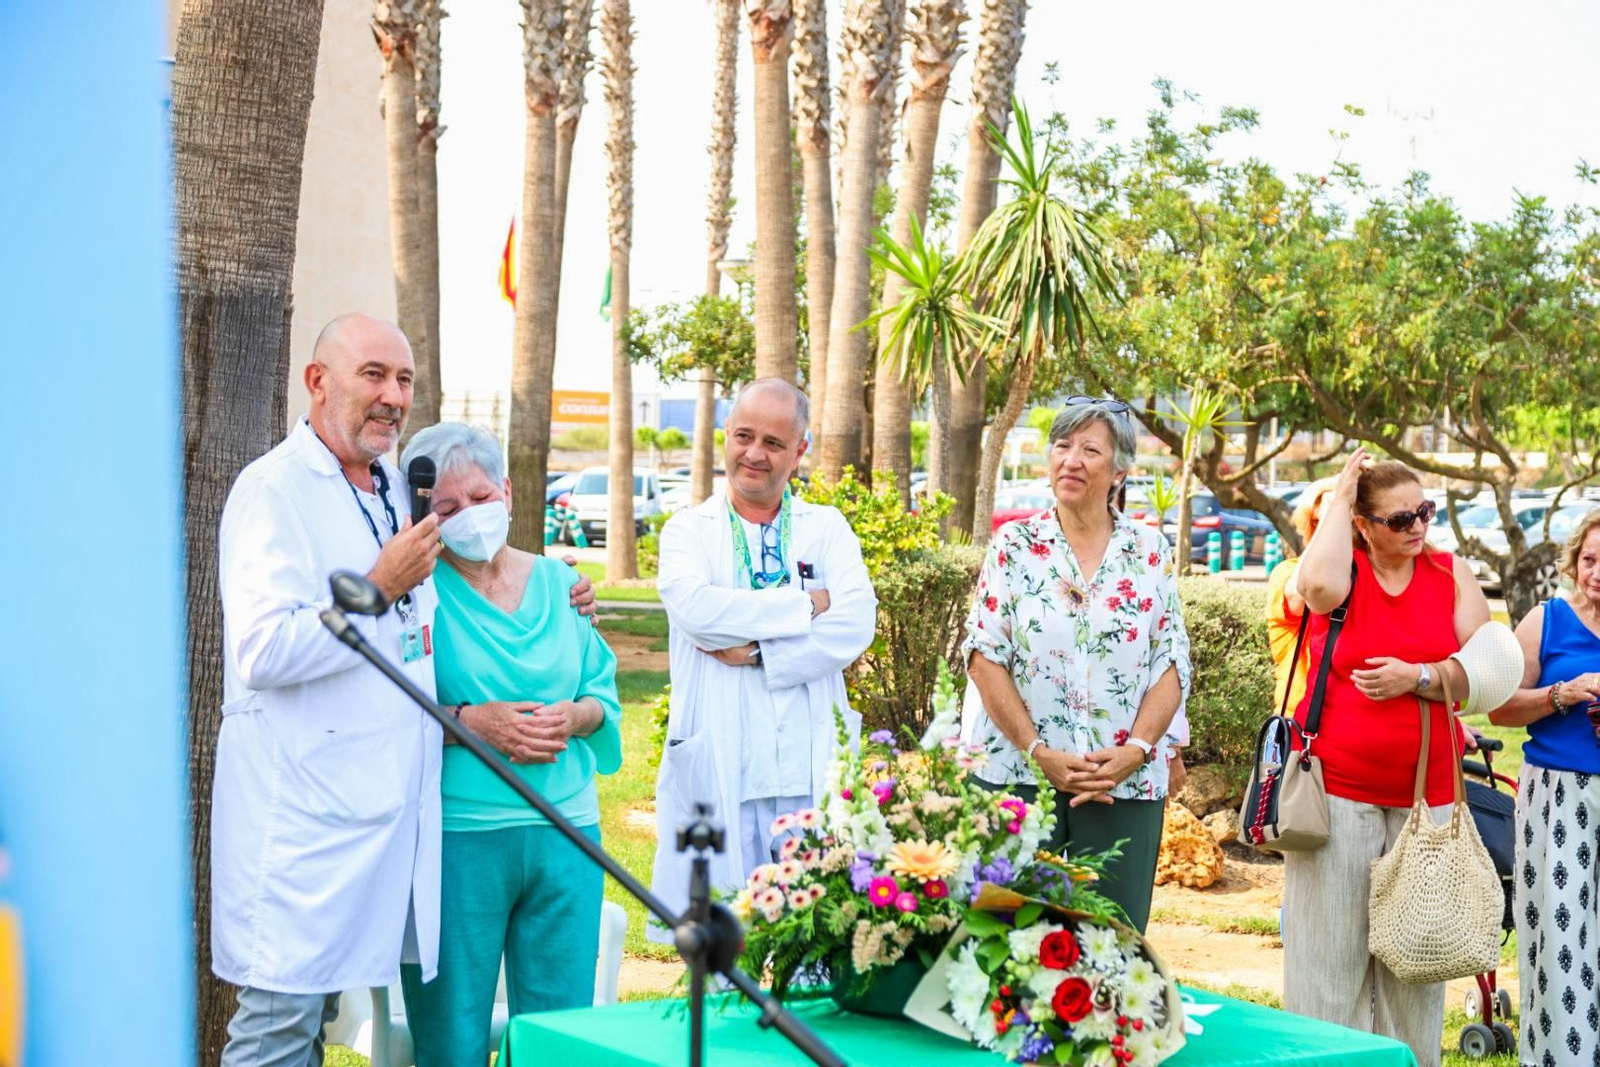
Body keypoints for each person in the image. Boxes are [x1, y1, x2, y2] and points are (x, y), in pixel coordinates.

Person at [212, 315, 595, 1067]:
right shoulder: (273, 492)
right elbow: (261, 650)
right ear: (318, 382)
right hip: (303, 822)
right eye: (373, 375)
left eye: (404, 380)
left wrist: (564, 589)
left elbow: (454, 596)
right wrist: (377, 590)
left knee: (316, 1023)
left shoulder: (397, 486)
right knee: (277, 1027)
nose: (392, 396)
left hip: (387, 821)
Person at [397, 422, 622, 1066]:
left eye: (478, 497)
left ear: (507, 491)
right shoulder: (415, 593)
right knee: (452, 1036)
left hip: (567, 832)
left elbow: (602, 696)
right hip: (458, 839)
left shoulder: (562, 584)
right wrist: (474, 723)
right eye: (446, 507)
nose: (467, 516)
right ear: (424, 514)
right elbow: (389, 708)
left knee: (558, 1037)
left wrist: (573, 718)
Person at [1281, 449, 1489, 1067]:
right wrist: (1341, 494)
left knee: (1416, 970)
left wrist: (1420, 677)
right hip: (1336, 796)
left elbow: (1487, 671)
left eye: (1424, 512)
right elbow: (1314, 590)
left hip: (1429, 801)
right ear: (1364, 524)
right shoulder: (1339, 570)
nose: (1418, 527)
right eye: (1399, 519)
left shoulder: (1451, 573)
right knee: (1327, 970)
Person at [649, 379, 877, 924]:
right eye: (744, 436)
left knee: (818, 937)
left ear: (800, 451)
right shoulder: (687, 531)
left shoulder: (826, 528)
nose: (754, 454)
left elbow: (856, 623)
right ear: (727, 436)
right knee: (719, 947)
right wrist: (807, 604)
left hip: (808, 761)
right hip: (722, 757)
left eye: (774, 443)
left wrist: (758, 654)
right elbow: (699, 611)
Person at [963, 396, 1191, 933]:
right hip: (1017, 777)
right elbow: (983, 654)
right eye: (1062, 445)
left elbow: (1172, 660)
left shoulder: (1150, 550)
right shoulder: (1014, 546)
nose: (1071, 459)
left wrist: (1136, 750)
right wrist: (1037, 751)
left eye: (1090, 449)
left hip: (1124, 785)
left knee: (1110, 948)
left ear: (1119, 471)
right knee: (1007, 946)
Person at [1489, 508, 1600, 1067]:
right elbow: (1500, 705)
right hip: (1558, 795)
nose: (1597, 572)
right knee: (1562, 942)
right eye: (1589, 559)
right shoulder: (1545, 620)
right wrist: (1564, 692)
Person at [1264, 478, 1338, 712]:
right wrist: (1332, 519)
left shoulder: (1371, 577)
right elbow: (1301, 594)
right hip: (1301, 726)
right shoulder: (1287, 573)